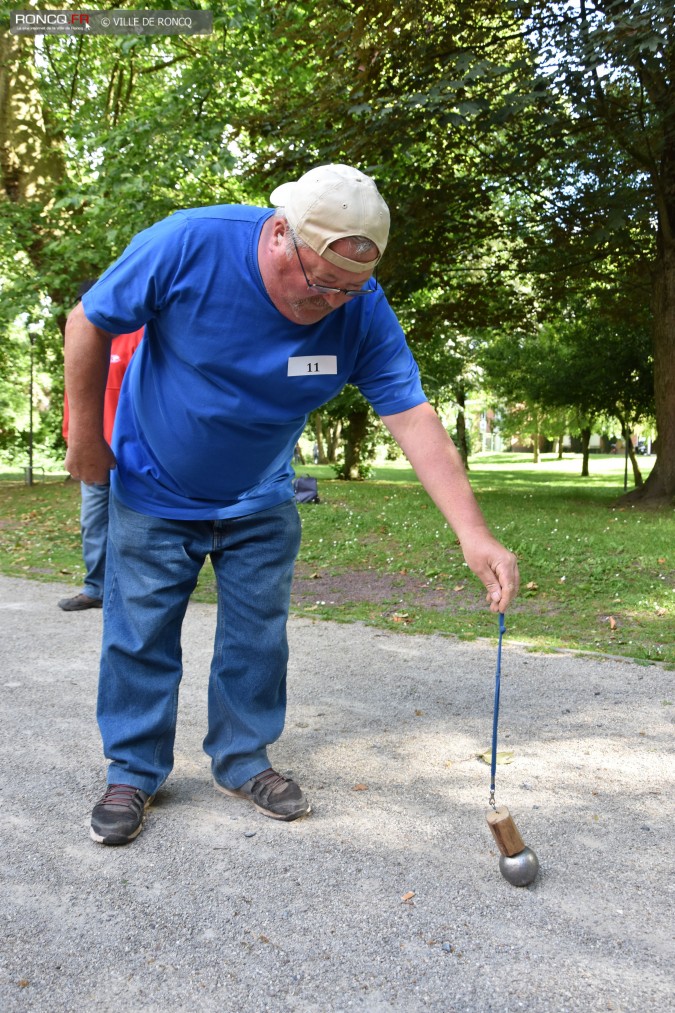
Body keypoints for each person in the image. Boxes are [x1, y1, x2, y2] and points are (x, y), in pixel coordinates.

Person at [63, 163, 519, 847]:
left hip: (260, 492)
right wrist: (87, 440)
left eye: (348, 288)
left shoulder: (358, 306)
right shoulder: (190, 243)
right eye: (319, 282)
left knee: (256, 637)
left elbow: (414, 417)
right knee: (139, 634)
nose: (330, 301)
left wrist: (473, 533)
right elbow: (88, 319)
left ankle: (243, 760)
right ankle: (134, 767)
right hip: (155, 486)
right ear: (278, 234)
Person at [59, 281, 143, 611]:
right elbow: (73, 399)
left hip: (133, 452)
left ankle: (137, 589)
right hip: (94, 452)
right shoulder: (78, 342)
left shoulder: (138, 334)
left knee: (136, 522)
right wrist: (73, 439)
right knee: (93, 521)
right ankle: (96, 587)